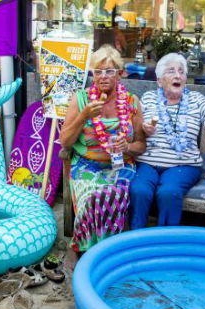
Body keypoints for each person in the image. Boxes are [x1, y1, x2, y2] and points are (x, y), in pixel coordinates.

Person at [129, 53, 205, 229]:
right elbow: (136, 130)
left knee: (169, 192)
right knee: (139, 190)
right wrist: (145, 129)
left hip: (184, 164)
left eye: (181, 72)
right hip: (148, 162)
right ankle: (135, 239)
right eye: (171, 71)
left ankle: (166, 242)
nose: (178, 75)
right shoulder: (148, 98)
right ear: (160, 80)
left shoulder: (197, 99)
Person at [60, 45, 146, 253]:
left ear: (120, 74)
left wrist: (127, 146)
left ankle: (109, 251)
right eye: (98, 71)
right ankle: (88, 250)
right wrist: (83, 117)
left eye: (109, 71)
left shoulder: (132, 102)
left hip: (121, 166)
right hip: (86, 165)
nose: (103, 76)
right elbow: (65, 142)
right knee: (92, 196)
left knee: (114, 194)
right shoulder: (80, 99)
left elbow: (141, 145)